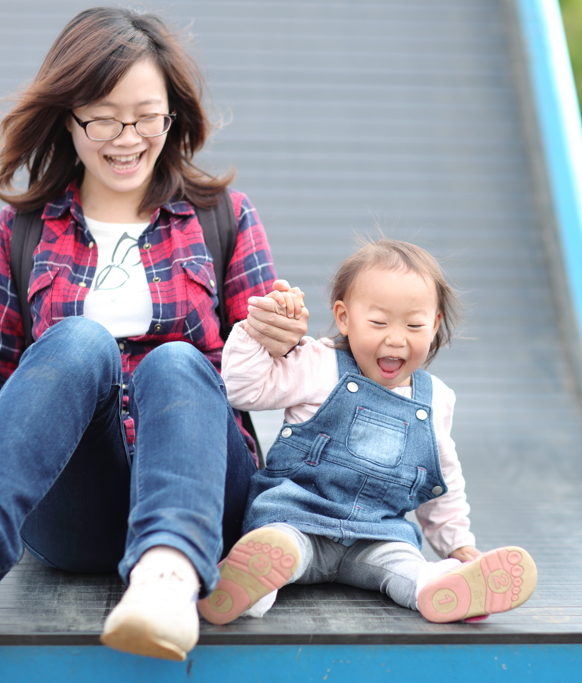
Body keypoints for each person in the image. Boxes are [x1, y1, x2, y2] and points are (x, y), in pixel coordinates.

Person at [0, 7, 307, 662]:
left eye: (146, 115)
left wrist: (279, 336)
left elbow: (270, 372)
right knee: (78, 340)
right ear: (68, 116)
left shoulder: (222, 216)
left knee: (175, 361)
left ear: (172, 115)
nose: (127, 137)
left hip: (199, 490)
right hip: (76, 511)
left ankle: (167, 577)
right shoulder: (22, 231)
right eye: (104, 117)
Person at [198, 239, 537, 625]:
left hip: (377, 536)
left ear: (436, 324)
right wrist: (254, 333)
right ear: (344, 317)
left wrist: (457, 544)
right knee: (281, 549)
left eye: (414, 325)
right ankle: (249, 586)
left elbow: (444, 481)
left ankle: (444, 588)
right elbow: (243, 389)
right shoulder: (319, 365)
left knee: (407, 567)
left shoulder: (436, 399)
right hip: (299, 519)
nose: (396, 338)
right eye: (378, 322)